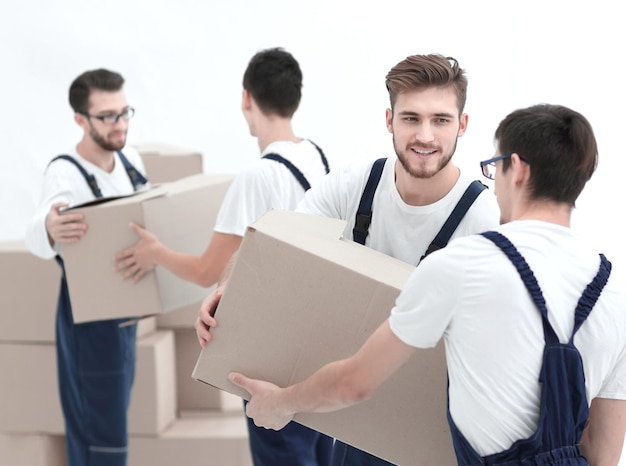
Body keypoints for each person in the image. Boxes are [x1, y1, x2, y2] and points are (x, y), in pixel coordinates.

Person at [227, 103, 626, 465]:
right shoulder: (614, 294)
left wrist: (280, 402)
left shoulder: (461, 266)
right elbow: (603, 454)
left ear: (517, 168)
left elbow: (353, 384)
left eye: (495, 166)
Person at [196, 53, 501, 465]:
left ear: (462, 125)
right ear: (389, 120)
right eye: (411, 118)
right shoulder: (357, 183)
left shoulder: (484, 220)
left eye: (440, 120)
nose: (425, 136)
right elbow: (271, 242)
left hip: (433, 437)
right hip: (354, 426)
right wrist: (228, 287)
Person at [114, 47, 334, 466]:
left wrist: (156, 253)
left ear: (246, 98)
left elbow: (208, 272)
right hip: (318, 343)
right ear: (296, 99)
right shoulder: (318, 157)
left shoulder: (257, 176)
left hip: (272, 353)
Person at [24, 69, 149, 466]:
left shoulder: (131, 160)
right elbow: (40, 224)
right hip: (88, 321)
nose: (121, 124)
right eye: (108, 116)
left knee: (114, 422)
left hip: (125, 314)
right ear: (81, 119)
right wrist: (48, 225)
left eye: (124, 112)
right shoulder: (65, 172)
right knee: (99, 437)